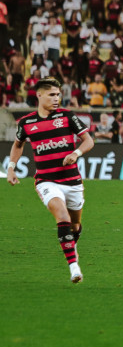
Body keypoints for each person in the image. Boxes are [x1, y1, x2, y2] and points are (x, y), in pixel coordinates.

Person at [6, 77, 94, 283]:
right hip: (46, 181)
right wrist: (11, 167)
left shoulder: (67, 116)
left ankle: (73, 243)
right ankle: (74, 267)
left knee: (75, 226)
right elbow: (18, 144)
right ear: (39, 95)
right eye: (52, 95)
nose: (57, 99)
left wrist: (76, 153)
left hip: (72, 181)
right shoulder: (27, 122)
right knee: (61, 217)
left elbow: (88, 140)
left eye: (58, 95)